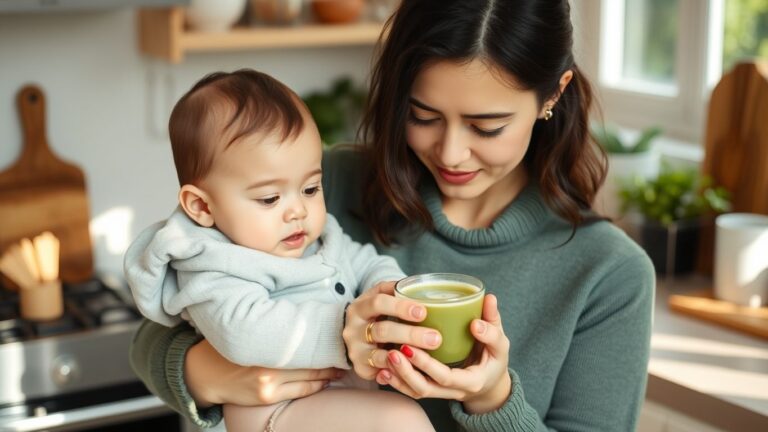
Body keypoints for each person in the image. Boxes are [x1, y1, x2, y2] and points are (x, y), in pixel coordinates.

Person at [129, 0, 656, 431]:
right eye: (423, 116)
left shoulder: (609, 275)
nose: (450, 153)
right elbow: (159, 327)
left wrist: (492, 398)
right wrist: (209, 376)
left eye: (486, 127)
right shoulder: (325, 186)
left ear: (552, 95)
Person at [123, 69, 435, 432]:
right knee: (401, 421)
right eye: (270, 198)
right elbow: (244, 331)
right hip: (274, 413)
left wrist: (394, 297)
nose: (297, 211)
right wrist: (348, 331)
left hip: (339, 399)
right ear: (202, 208)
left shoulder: (319, 238)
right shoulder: (214, 264)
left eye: (310, 188)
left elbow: (368, 263)